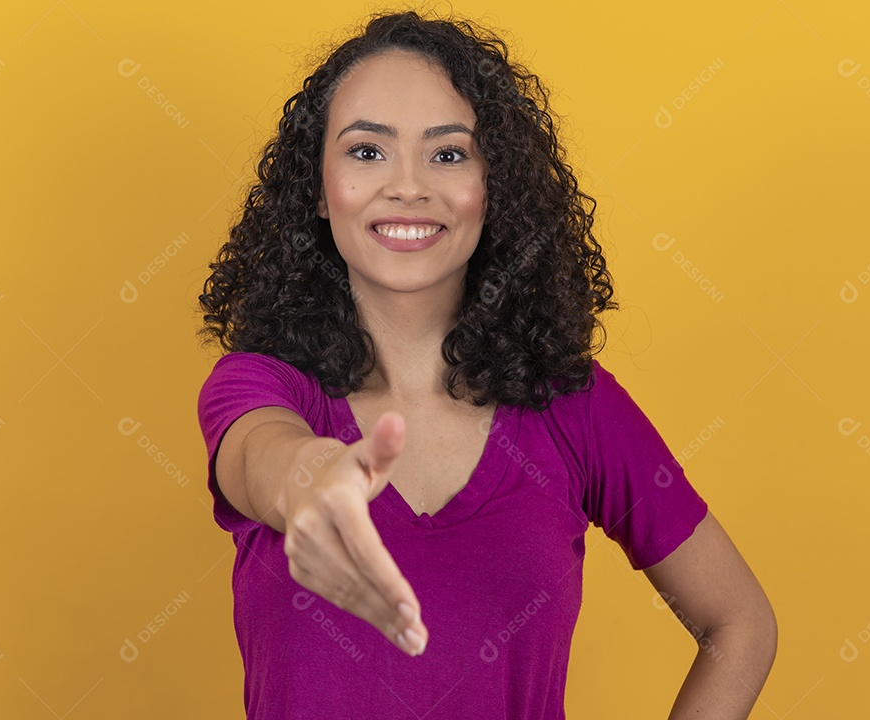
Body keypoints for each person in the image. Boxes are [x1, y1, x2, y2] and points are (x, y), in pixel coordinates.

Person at [196, 9, 776, 719]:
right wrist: (311, 482)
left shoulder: (574, 407)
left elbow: (740, 624)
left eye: (447, 154)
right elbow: (264, 457)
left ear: (492, 187)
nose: (408, 186)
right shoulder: (260, 384)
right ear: (318, 189)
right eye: (367, 151)